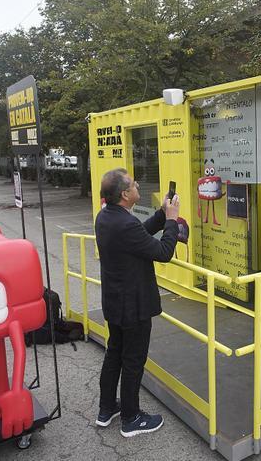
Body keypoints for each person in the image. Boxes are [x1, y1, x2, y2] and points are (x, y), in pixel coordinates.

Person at [94, 168, 180, 437]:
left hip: (115, 302)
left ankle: (107, 409)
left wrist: (161, 214)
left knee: (115, 354)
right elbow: (164, 252)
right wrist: (173, 221)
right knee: (133, 360)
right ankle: (132, 418)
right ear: (124, 194)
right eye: (133, 184)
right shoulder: (124, 222)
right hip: (134, 305)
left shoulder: (107, 216)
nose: (138, 184)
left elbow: (139, 236)